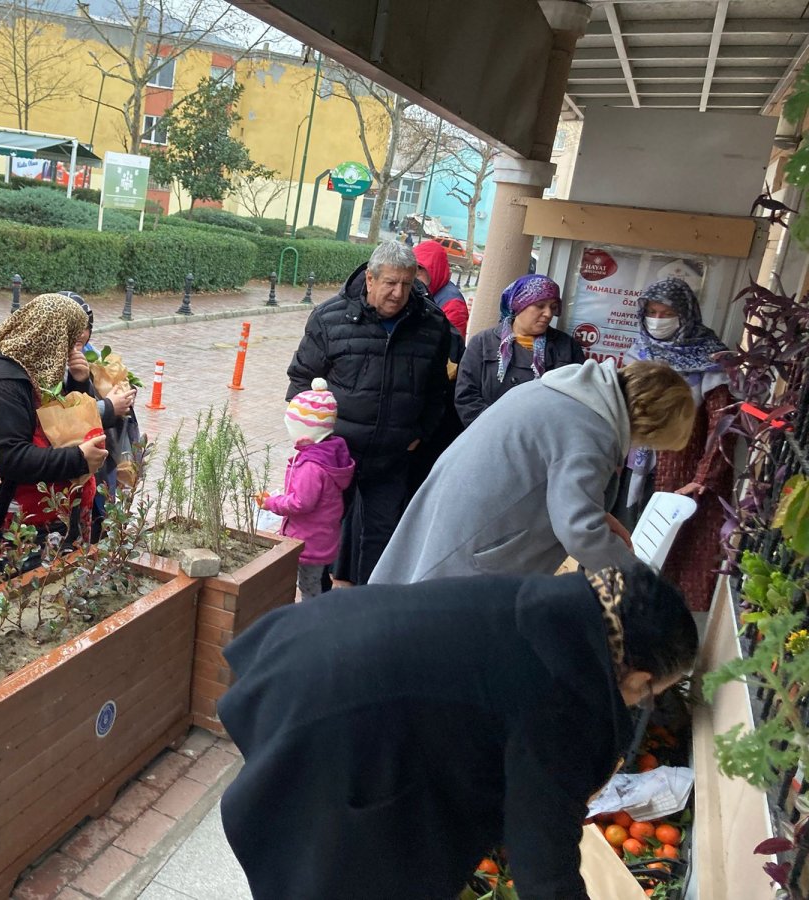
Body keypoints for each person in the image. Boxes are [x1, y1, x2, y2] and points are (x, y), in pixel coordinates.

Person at [218, 565, 698, 900]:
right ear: (638, 676)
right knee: (336, 866)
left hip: (305, 647)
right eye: (649, 695)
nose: (639, 705)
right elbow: (543, 860)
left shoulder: (559, 606)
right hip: (331, 719)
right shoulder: (570, 693)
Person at [370, 359, 695, 585]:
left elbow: (550, 480)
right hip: (473, 549)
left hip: (453, 518)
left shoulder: (568, 392)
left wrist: (597, 513)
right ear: (649, 426)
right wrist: (642, 580)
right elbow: (579, 531)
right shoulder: (591, 431)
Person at [286, 241, 451, 586]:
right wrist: (313, 441)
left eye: (406, 284)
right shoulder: (329, 318)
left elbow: (438, 389)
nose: (398, 292)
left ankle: (366, 604)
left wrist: (419, 431)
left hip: (394, 453)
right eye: (390, 283)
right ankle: (316, 603)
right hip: (334, 454)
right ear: (370, 279)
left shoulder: (431, 323)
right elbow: (301, 378)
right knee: (320, 532)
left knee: (384, 535)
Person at [622, 277, 733, 612]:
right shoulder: (637, 352)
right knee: (629, 540)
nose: (657, 318)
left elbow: (722, 425)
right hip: (634, 468)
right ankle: (623, 609)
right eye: (652, 311)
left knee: (671, 552)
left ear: (685, 313)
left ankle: (657, 621)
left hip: (682, 476)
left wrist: (703, 476)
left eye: (666, 311)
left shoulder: (711, 359)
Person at [0, 293, 108, 546]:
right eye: (69, 342)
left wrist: (79, 383)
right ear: (51, 338)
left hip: (47, 515)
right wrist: (78, 458)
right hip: (16, 525)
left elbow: (70, 424)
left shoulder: (38, 373)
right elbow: (10, 458)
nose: (72, 352)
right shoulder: (5, 383)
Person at [257, 378, 355, 598]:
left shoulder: (312, 465)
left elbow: (301, 502)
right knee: (317, 581)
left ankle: (314, 620)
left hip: (309, 541)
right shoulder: (328, 455)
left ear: (307, 431)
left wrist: (271, 503)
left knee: (310, 588)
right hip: (320, 537)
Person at [455, 274, 585, 427]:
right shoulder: (483, 343)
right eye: (540, 305)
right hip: (488, 436)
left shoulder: (567, 347)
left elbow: (578, 399)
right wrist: (495, 428)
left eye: (553, 307)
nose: (548, 313)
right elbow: (466, 396)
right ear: (519, 304)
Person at [61, 293, 138, 499]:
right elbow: (62, 418)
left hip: (100, 458)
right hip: (70, 464)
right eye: (72, 327)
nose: (80, 334)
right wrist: (110, 407)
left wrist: (125, 393)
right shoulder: (51, 366)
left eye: (85, 327)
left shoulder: (93, 355)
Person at [413, 239, 468, 337]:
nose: (415, 274)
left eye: (420, 268)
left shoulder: (453, 305)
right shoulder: (421, 293)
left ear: (434, 270)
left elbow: (453, 346)